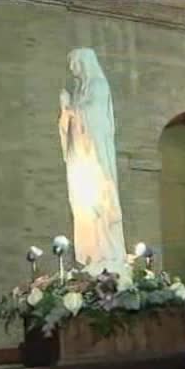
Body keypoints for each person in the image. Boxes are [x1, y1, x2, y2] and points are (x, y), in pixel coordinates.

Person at [58, 47, 128, 278]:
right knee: (84, 208)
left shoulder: (98, 85)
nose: (72, 69)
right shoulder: (80, 90)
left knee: (101, 205)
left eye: (75, 64)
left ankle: (108, 253)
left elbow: (95, 116)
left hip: (95, 155)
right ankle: (94, 254)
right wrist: (66, 111)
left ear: (85, 63)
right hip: (81, 156)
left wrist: (72, 108)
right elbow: (72, 124)